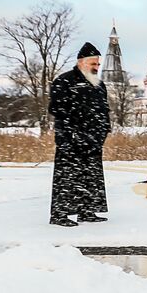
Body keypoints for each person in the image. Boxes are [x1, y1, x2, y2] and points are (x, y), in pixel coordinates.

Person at [48, 42, 111, 226]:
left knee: (90, 177)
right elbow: (57, 108)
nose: (96, 67)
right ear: (82, 62)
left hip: (93, 140)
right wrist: (73, 130)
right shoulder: (64, 80)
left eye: (98, 64)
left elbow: (104, 111)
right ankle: (60, 215)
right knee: (67, 177)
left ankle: (87, 211)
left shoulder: (99, 85)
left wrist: (103, 131)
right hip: (71, 139)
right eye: (93, 64)